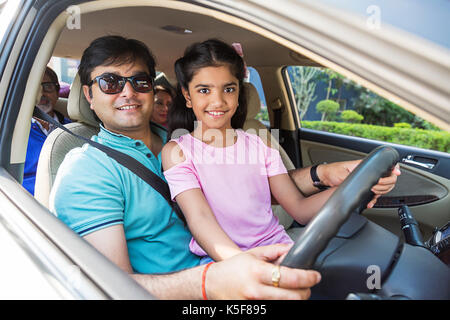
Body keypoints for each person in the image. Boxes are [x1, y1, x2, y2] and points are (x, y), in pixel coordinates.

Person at [49, 35, 323, 300]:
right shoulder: (87, 171)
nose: (128, 92)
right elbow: (110, 287)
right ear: (88, 94)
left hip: (241, 265)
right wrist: (211, 281)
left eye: (140, 81)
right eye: (110, 82)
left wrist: (321, 175)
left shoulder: (185, 140)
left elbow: (248, 187)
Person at [161, 39, 401, 264]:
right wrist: (241, 264)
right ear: (187, 96)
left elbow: (300, 209)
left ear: (238, 93)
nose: (218, 101)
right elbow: (200, 219)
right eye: (204, 90)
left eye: (229, 89)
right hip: (222, 260)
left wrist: (357, 186)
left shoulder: (259, 145)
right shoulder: (178, 152)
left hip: (279, 249)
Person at [23, 66, 71, 195]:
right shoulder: (14, 130)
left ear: (57, 91)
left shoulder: (74, 129)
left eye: (47, 86)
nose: (42, 94)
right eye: (34, 87)